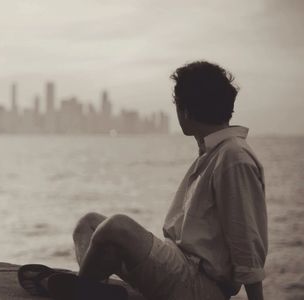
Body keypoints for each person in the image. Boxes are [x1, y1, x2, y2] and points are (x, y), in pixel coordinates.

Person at [19, 61, 267, 300]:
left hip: (201, 288)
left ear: (186, 111)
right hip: (180, 267)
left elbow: (245, 240)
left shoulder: (233, 156)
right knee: (89, 225)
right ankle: (93, 291)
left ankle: (82, 292)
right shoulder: (214, 152)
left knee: (118, 226)